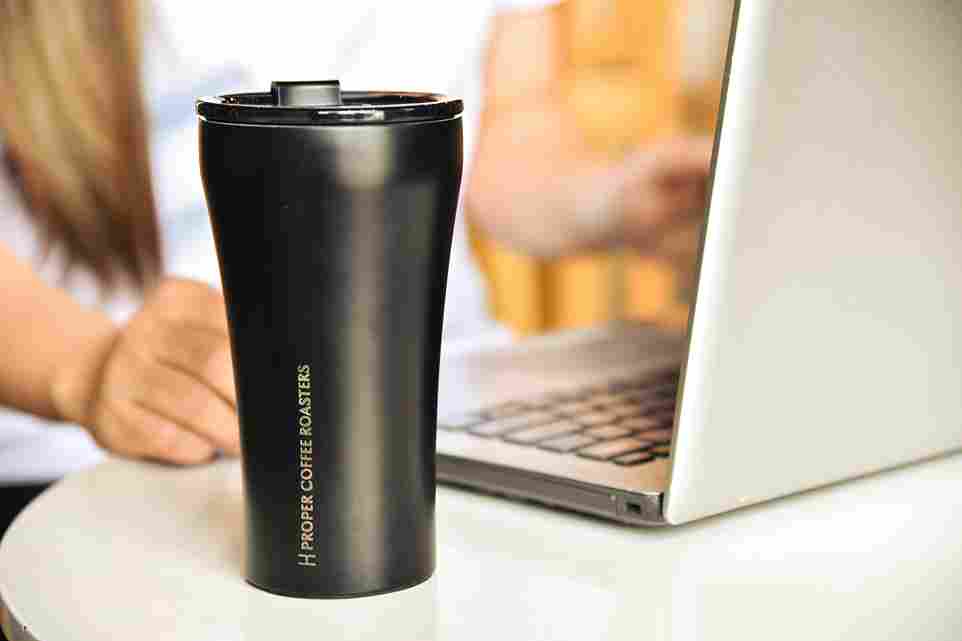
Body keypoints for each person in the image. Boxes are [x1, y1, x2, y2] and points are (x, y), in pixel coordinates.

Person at [0, 1, 709, 536]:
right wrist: (87, 367)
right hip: (100, 457)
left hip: (448, 419)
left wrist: (614, 199)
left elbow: (515, 126)